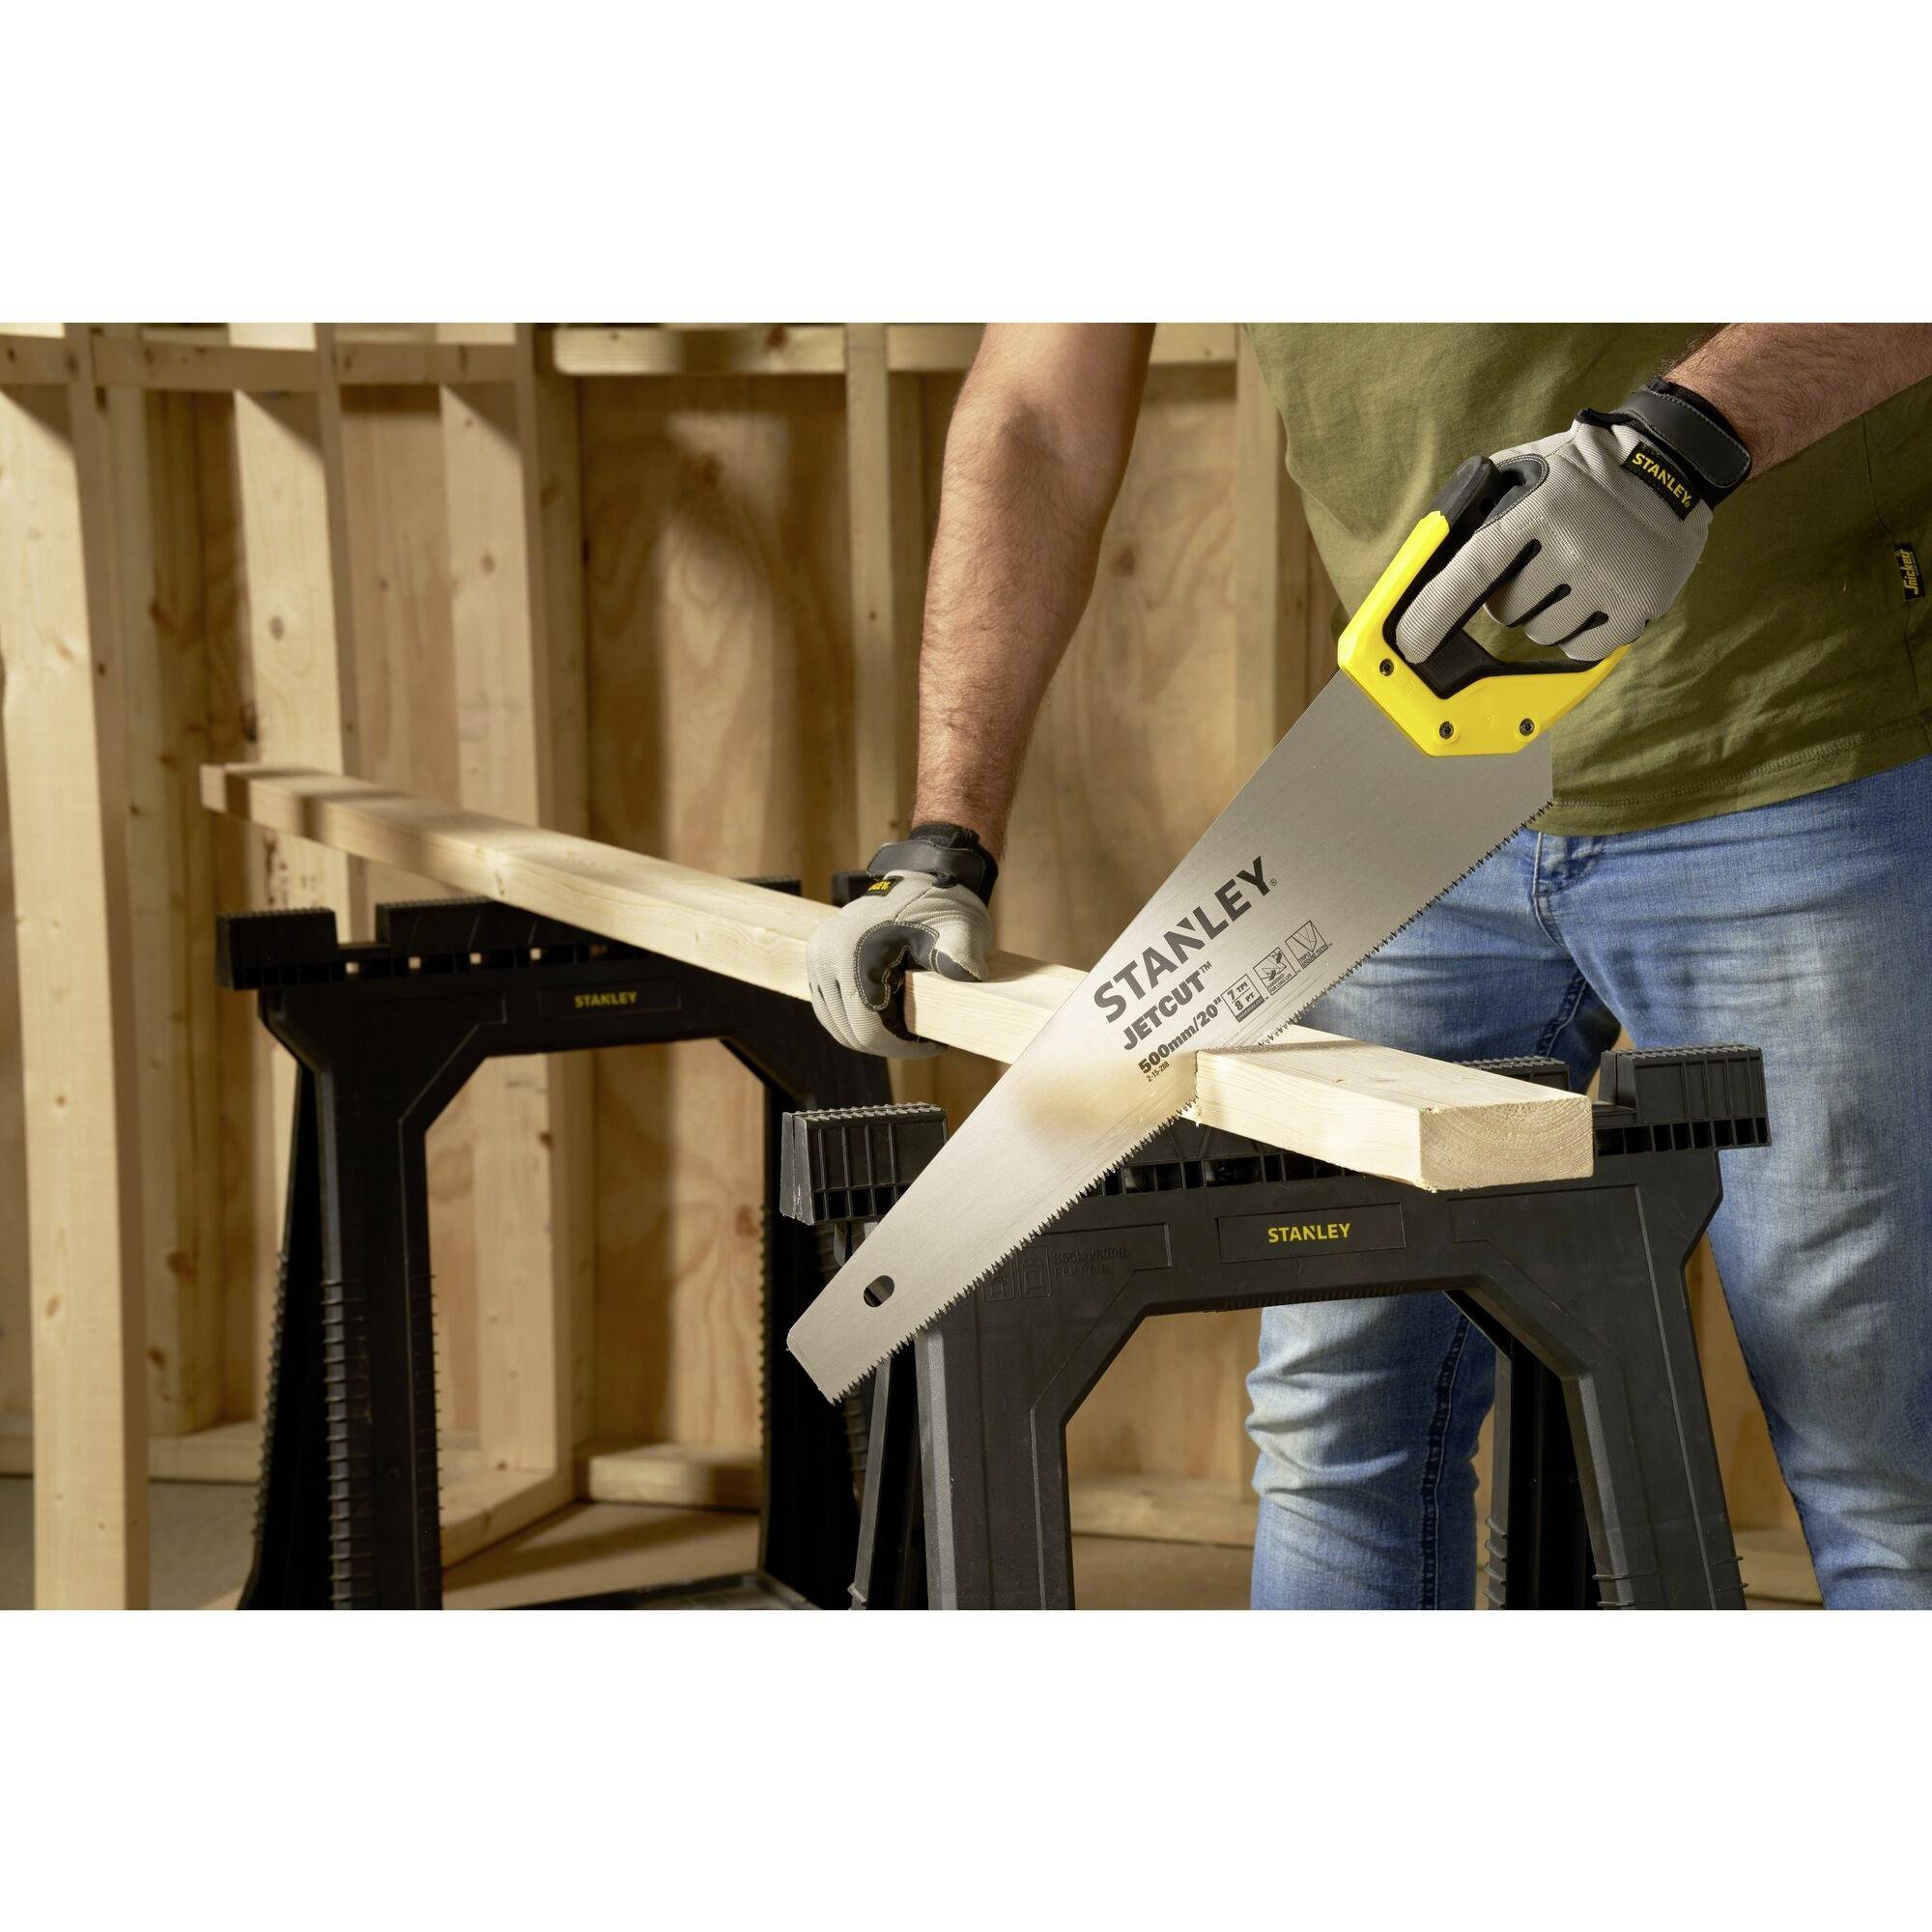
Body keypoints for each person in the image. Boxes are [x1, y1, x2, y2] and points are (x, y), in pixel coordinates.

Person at [805, 324, 1932, 1609]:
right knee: (1343, 1430)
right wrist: (946, 838)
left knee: (1884, 1468)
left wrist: (1682, 442)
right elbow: (1034, 418)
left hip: (1796, 746)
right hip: (1417, 783)